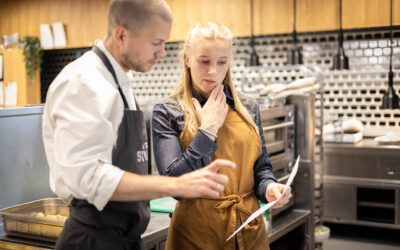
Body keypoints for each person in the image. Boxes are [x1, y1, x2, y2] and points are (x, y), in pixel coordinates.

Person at [42, 2, 236, 249]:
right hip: (92, 241)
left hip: (125, 239)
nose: (163, 52)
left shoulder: (120, 81)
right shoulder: (84, 82)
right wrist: (176, 184)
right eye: (156, 43)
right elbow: (87, 176)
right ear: (121, 35)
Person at [151, 22, 292, 250]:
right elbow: (174, 186)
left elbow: (261, 168)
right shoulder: (168, 111)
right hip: (195, 235)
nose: (213, 71)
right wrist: (207, 131)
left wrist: (269, 188)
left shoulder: (248, 107)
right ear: (187, 59)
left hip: (249, 231)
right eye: (204, 61)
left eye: (222, 62)